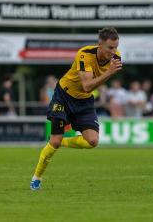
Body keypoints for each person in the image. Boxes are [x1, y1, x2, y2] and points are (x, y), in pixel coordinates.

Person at [30, 27, 123, 190]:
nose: (113, 51)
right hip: (64, 96)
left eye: (115, 47)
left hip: (84, 102)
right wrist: (109, 72)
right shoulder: (84, 55)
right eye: (110, 48)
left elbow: (89, 90)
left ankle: (62, 142)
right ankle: (36, 179)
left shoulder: (116, 57)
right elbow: (87, 86)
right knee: (54, 141)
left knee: (92, 141)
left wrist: (108, 72)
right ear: (99, 45)